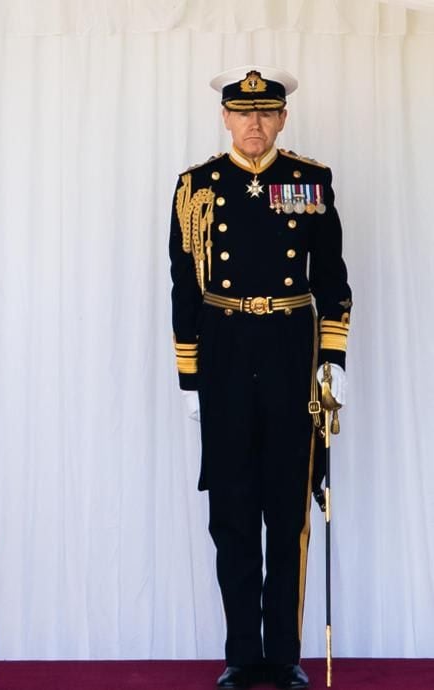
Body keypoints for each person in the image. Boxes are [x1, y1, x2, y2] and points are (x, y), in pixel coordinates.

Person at [169, 66, 352, 690]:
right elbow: (183, 288)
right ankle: (243, 654)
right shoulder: (196, 188)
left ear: (282, 118)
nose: (254, 123)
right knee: (233, 511)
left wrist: (334, 362)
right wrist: (190, 380)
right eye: (243, 112)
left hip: (290, 349)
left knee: (288, 509)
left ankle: (286, 654)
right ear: (224, 117)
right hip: (222, 347)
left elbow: (332, 280)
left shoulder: (309, 181)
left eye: (266, 112)